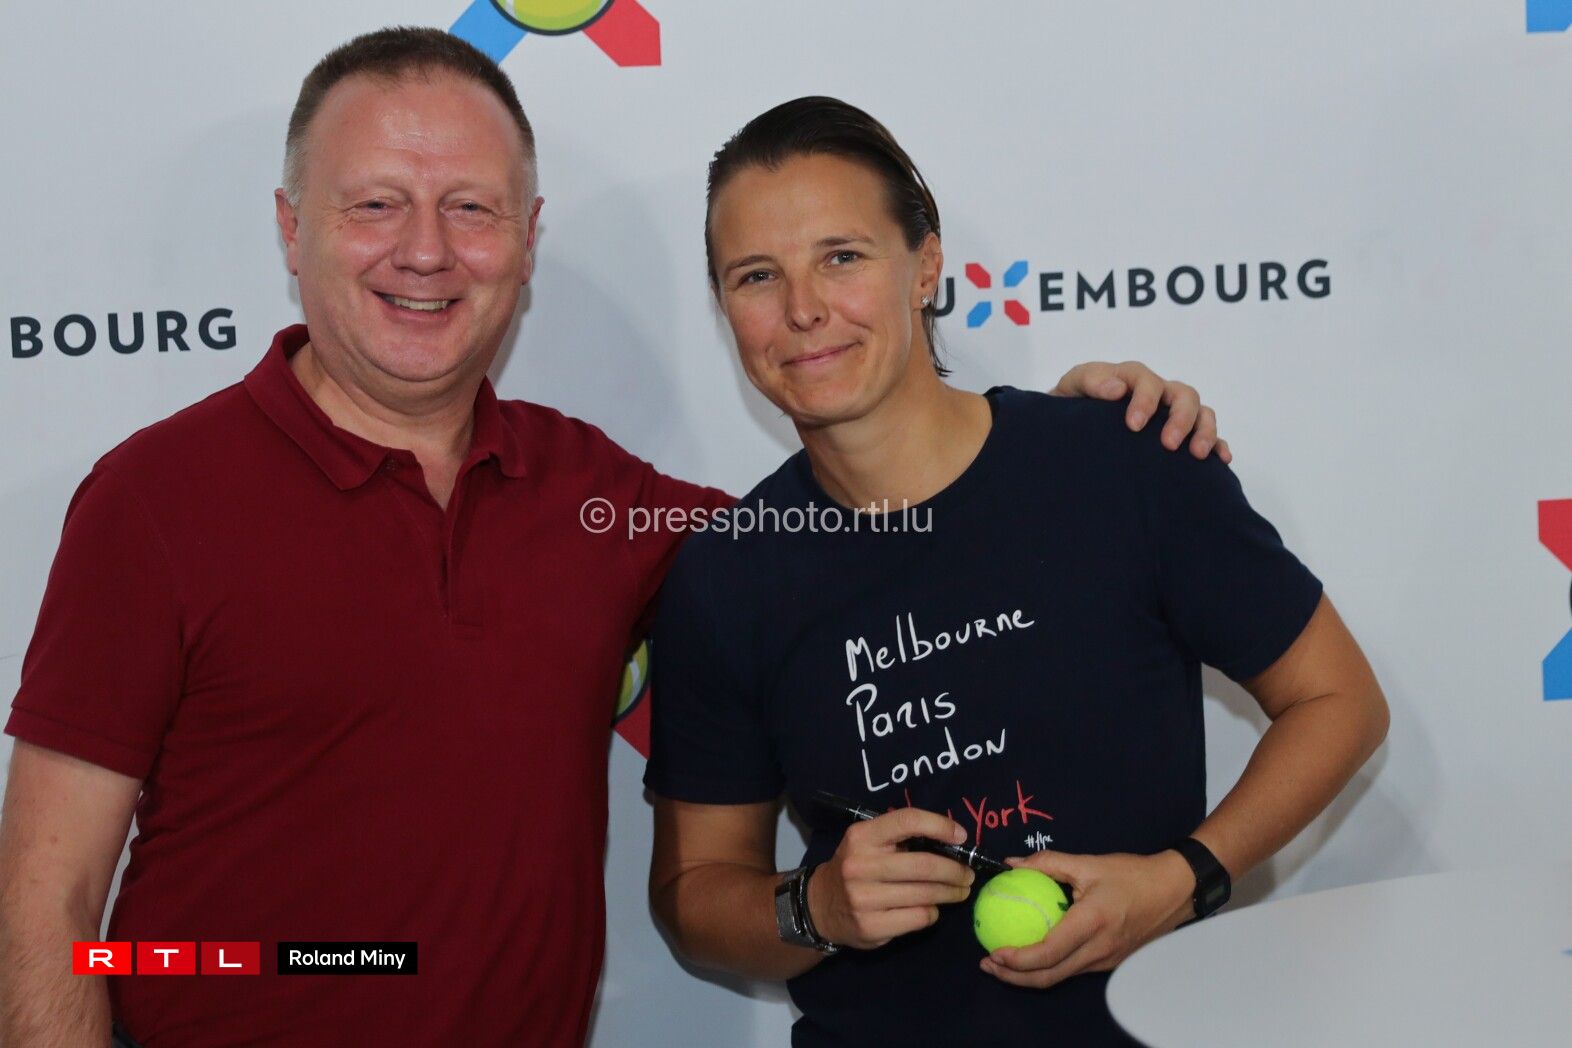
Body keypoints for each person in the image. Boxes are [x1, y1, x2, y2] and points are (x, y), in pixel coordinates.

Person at [0, 30, 1223, 1048]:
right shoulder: (153, 499)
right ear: (290, 226)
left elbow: (861, 517)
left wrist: (1065, 433)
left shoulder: (594, 497)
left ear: (527, 239)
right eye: (375, 203)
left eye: (470, 208)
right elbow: (49, 904)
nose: (424, 249)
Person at [644, 96, 1390, 1047]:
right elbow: (694, 893)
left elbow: (1339, 700)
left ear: (925, 266)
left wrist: (1185, 877)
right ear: (724, 308)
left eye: (842, 257)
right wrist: (815, 907)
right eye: (757, 275)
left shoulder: (1120, 462)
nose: (803, 309)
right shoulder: (725, 575)